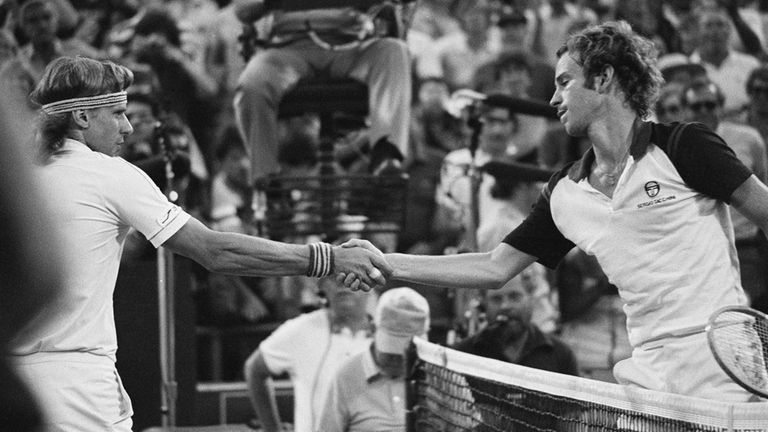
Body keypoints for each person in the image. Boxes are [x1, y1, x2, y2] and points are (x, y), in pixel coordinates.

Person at [341, 21, 768, 402]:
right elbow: (493, 267)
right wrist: (386, 264)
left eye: (565, 82)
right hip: (650, 374)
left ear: (602, 79)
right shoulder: (566, 192)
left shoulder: (684, 146)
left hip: (722, 362)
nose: (553, 97)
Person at [8, 55, 390, 432]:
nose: (127, 127)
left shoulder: (16, 179)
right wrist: (327, 258)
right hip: (78, 391)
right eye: (118, 113)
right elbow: (214, 251)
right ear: (83, 117)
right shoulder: (111, 174)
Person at [232, 0, 414, 182]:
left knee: (394, 51)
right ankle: (267, 177)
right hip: (288, 48)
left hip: (352, 45)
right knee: (253, 82)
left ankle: (386, 154)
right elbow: (242, 9)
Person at [243, 276, 375, 432]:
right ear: (322, 286)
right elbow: (254, 370)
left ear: (371, 283)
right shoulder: (301, 329)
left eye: (352, 276)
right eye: (334, 277)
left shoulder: (387, 333)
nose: (342, 285)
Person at [680, 77, 768, 310]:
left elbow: (761, 180)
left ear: (720, 106)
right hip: (699, 248)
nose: (704, 111)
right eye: (696, 106)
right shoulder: (675, 146)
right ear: (685, 111)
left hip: (745, 243)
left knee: (756, 308)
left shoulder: (748, 138)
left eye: (710, 104)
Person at [316, 287, 430, 432]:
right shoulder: (346, 376)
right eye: (391, 352)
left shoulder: (438, 377)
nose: (398, 360)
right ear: (373, 329)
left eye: (407, 355)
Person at [452, 270, 578, 375]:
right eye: (496, 299)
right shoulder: (463, 355)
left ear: (531, 301)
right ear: (484, 304)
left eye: (514, 297)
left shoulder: (561, 355)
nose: (505, 306)